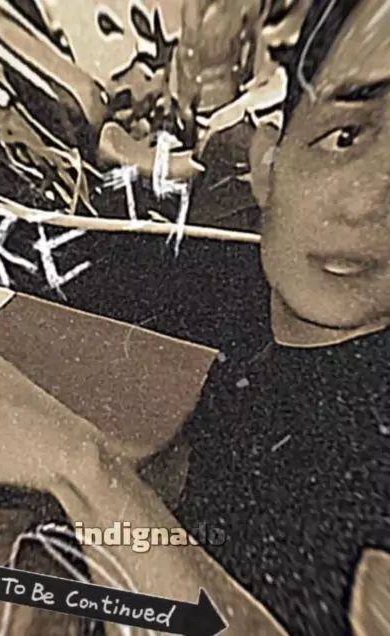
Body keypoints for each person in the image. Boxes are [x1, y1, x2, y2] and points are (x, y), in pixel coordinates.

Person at [159, 1, 390, 635]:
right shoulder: (257, 341)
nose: (366, 206)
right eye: (346, 137)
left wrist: (80, 475)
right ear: (266, 163)